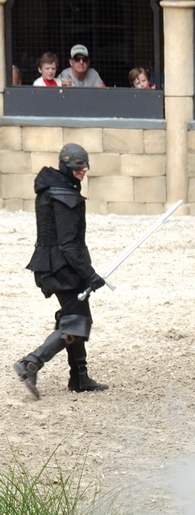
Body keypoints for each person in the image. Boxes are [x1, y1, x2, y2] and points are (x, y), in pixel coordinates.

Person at [13, 144, 108, 398]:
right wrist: (90, 274)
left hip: (53, 265)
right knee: (77, 323)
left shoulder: (54, 189)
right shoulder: (64, 196)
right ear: (67, 166)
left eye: (85, 164)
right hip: (62, 269)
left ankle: (79, 378)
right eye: (78, 166)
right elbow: (68, 244)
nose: (84, 169)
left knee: (73, 318)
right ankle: (31, 363)